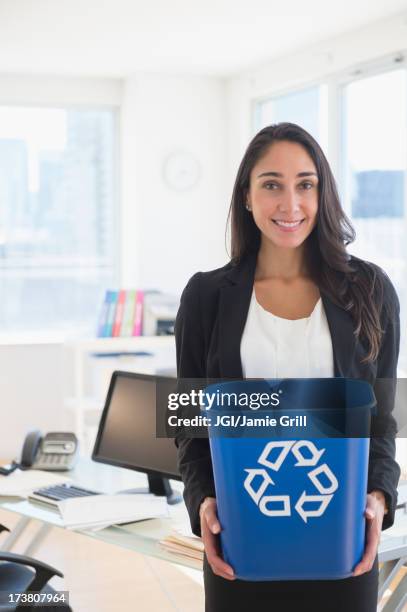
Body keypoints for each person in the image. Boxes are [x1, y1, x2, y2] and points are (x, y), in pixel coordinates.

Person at [174, 122, 400, 612]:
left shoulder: (371, 290)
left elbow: (381, 420)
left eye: (305, 185)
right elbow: (188, 424)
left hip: (341, 543)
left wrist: (380, 495)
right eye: (271, 184)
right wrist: (202, 504)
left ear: (323, 194)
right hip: (244, 542)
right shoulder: (206, 297)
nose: (290, 204)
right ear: (248, 196)